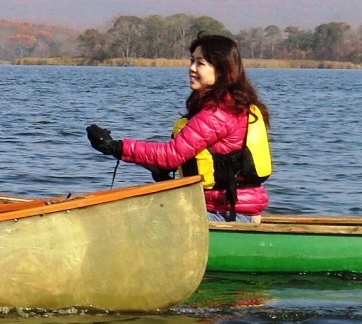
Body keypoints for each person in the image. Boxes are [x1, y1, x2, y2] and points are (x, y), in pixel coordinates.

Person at [86, 33, 272, 223]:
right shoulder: (225, 105)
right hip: (218, 209)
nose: (191, 68)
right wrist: (152, 165)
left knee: (136, 219)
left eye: (200, 63)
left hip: (230, 216)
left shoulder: (220, 113)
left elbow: (171, 154)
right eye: (192, 61)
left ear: (222, 70)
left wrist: (116, 147)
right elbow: (186, 156)